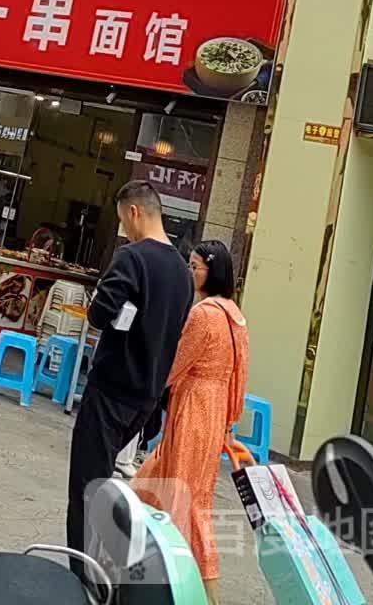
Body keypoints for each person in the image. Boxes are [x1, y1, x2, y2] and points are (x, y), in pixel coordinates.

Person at [66, 181, 193, 571]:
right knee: (108, 481)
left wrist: (101, 300)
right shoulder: (183, 273)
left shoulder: (131, 258)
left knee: (87, 485)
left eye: (123, 220)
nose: (125, 229)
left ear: (135, 212)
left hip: (111, 388)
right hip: (145, 399)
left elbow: (100, 314)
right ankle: (107, 561)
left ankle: (85, 575)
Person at [132, 240, 249, 605]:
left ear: (212, 271)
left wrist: (143, 383)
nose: (190, 271)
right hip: (214, 412)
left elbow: (175, 365)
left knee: (187, 500)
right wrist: (229, 421)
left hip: (193, 408)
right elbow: (239, 374)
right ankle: (144, 569)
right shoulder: (235, 315)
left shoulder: (204, 315)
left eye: (195, 266)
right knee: (163, 485)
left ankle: (200, 589)